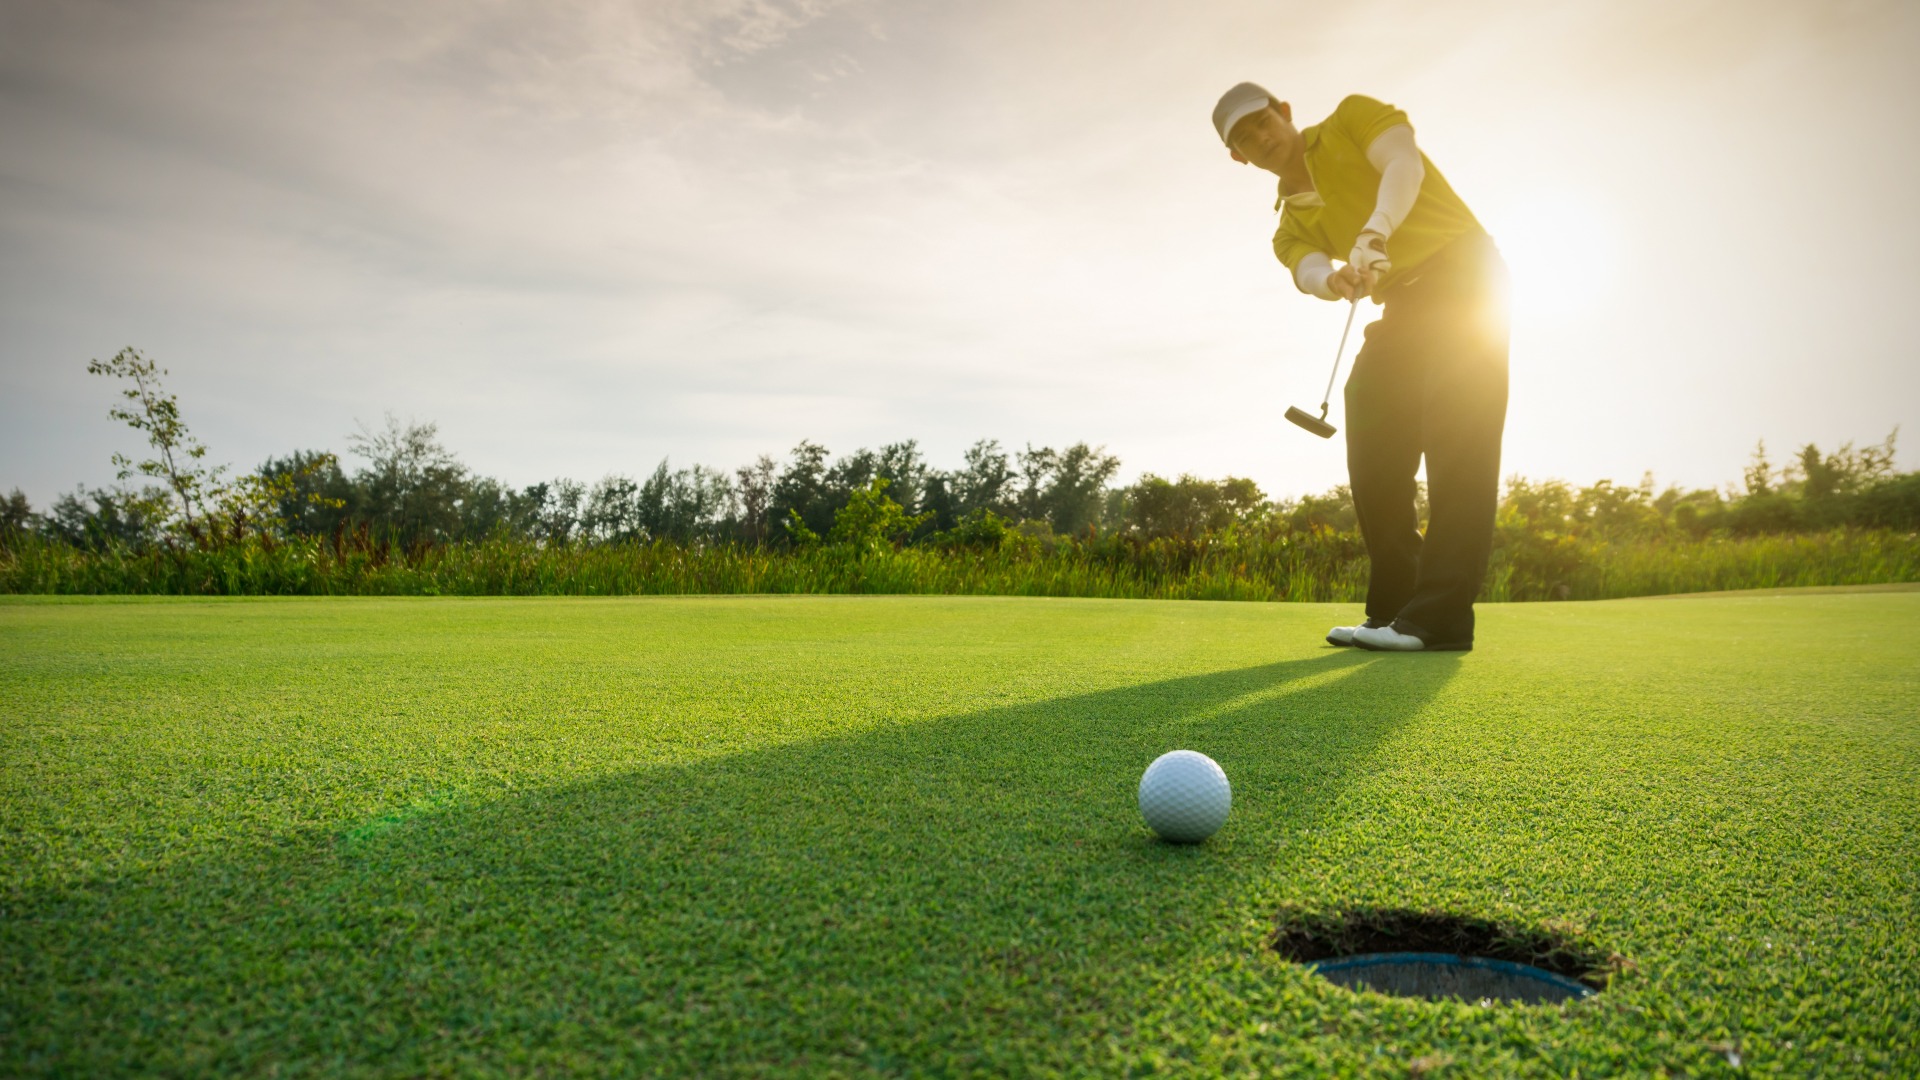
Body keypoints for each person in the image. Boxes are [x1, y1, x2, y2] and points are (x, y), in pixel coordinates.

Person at [1212, 83, 1510, 653]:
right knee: (1371, 427)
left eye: (1262, 121)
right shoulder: (1288, 225)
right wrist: (1336, 279)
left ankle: (1442, 618)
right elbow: (1308, 270)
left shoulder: (1352, 117)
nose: (1260, 138)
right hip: (1401, 303)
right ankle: (1395, 608)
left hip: (1466, 277)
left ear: (1285, 113)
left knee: (1458, 442)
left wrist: (1374, 230)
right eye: (1245, 139)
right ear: (1238, 157)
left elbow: (1402, 162)